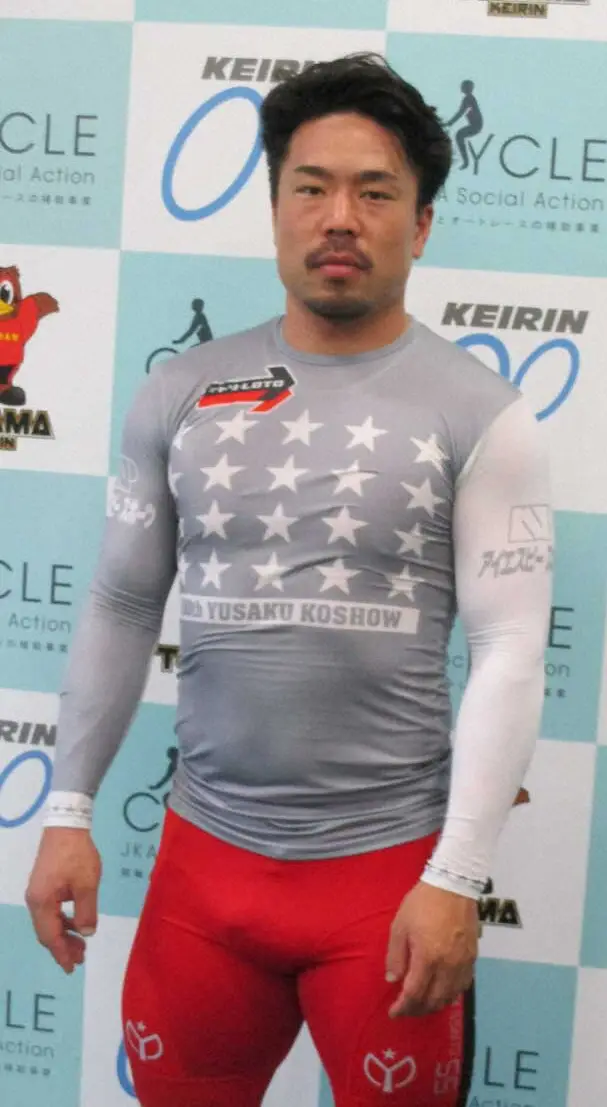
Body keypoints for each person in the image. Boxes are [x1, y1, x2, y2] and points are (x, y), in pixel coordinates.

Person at [25, 53, 552, 1107]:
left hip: (388, 880)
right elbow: (122, 604)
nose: (339, 217)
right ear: (274, 210)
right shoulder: (181, 390)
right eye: (311, 187)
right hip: (201, 877)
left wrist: (456, 877)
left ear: (422, 223)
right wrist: (67, 810)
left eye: (375, 192)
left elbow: (507, 648)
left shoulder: (481, 412)